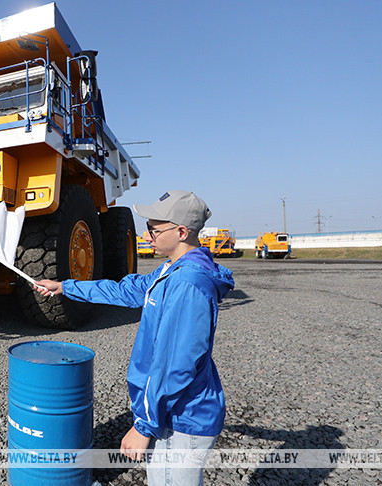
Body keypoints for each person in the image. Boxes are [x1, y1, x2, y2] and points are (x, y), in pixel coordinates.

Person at [35, 191, 234, 486]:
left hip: (182, 417)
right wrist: (65, 287)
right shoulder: (171, 271)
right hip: (171, 412)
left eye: (154, 229)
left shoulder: (187, 285)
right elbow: (123, 290)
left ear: (181, 232)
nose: (148, 235)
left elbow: (174, 366)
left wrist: (144, 426)